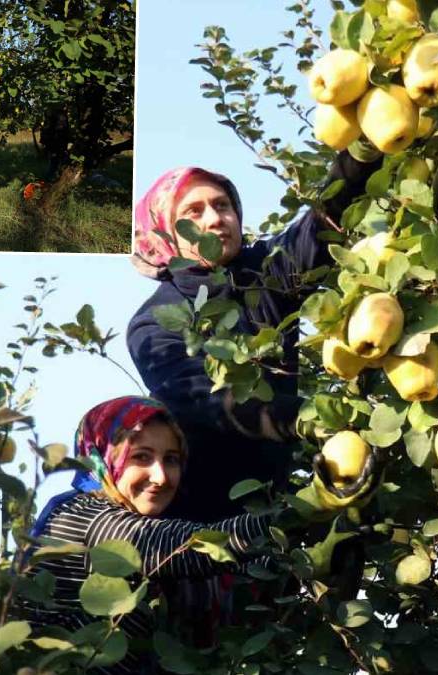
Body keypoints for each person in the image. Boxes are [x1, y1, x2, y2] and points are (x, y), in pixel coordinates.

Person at [127, 153, 381, 522]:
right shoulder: (153, 325)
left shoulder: (265, 274)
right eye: (194, 212)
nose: (216, 219)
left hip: (272, 516)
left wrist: (361, 152)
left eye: (222, 205)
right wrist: (303, 420)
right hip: (192, 527)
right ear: (165, 232)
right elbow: (207, 398)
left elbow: (322, 224)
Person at [18, 396, 272, 674]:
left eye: (171, 460)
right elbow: (178, 545)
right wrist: (295, 515)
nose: (161, 476)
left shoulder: (159, 560)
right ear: (102, 456)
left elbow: (239, 587)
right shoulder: (80, 514)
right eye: (141, 457)